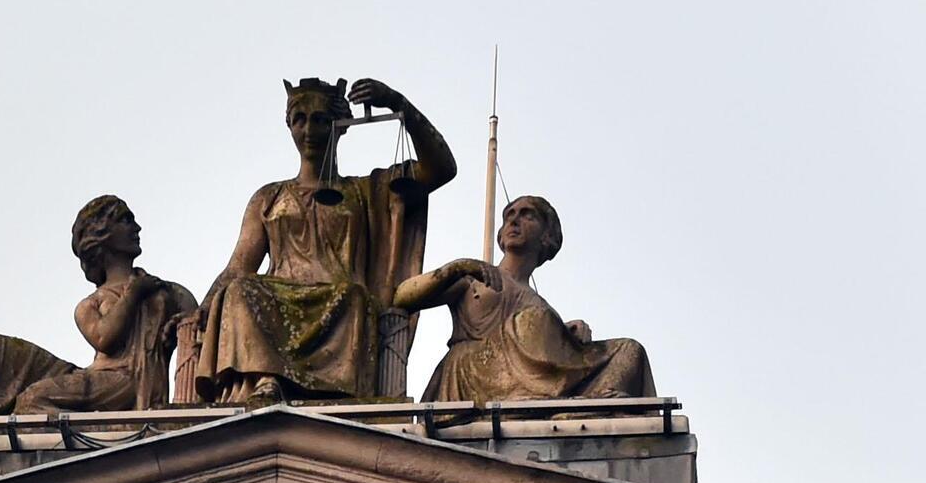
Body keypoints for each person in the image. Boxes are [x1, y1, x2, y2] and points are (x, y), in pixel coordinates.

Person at [193, 77, 455, 405]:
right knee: (240, 289)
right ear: (289, 125)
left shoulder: (365, 191)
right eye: (299, 119)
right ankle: (267, 380)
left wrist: (398, 103)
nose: (308, 130)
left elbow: (441, 168)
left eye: (320, 119)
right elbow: (238, 266)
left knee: (353, 297)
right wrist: (204, 306)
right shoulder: (268, 197)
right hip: (276, 297)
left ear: (340, 126)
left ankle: (334, 389)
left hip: (338, 302)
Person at [0, 196, 195, 417]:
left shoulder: (168, 294)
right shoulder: (91, 304)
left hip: (125, 383)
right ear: (101, 235)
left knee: (32, 400)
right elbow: (104, 338)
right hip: (98, 378)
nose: (137, 228)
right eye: (125, 220)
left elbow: (199, 329)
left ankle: (75, 435)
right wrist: (134, 292)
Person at [393, 195, 653, 403]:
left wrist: (564, 333)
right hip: (476, 374)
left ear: (547, 236)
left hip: (533, 376)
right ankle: (565, 400)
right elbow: (403, 296)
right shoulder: (474, 277)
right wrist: (456, 268)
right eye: (509, 216)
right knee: (534, 319)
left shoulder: (539, 307)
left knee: (630, 350)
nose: (514, 221)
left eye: (527, 215)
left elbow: (538, 345)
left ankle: (592, 403)